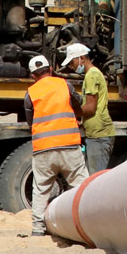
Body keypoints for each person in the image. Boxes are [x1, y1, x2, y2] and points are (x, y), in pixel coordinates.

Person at [20, 53, 86, 238]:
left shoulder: (30, 93)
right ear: (50, 69)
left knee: (40, 189)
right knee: (81, 188)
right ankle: (86, 226)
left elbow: (30, 121)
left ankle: (38, 230)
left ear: (33, 75)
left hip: (43, 149)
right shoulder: (65, 84)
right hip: (69, 146)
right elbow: (78, 102)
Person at [61, 42, 115, 167]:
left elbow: (90, 108)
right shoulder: (91, 75)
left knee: (96, 179)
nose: (71, 66)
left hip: (99, 136)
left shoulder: (92, 75)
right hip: (96, 134)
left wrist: (69, 114)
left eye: (72, 62)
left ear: (82, 58)